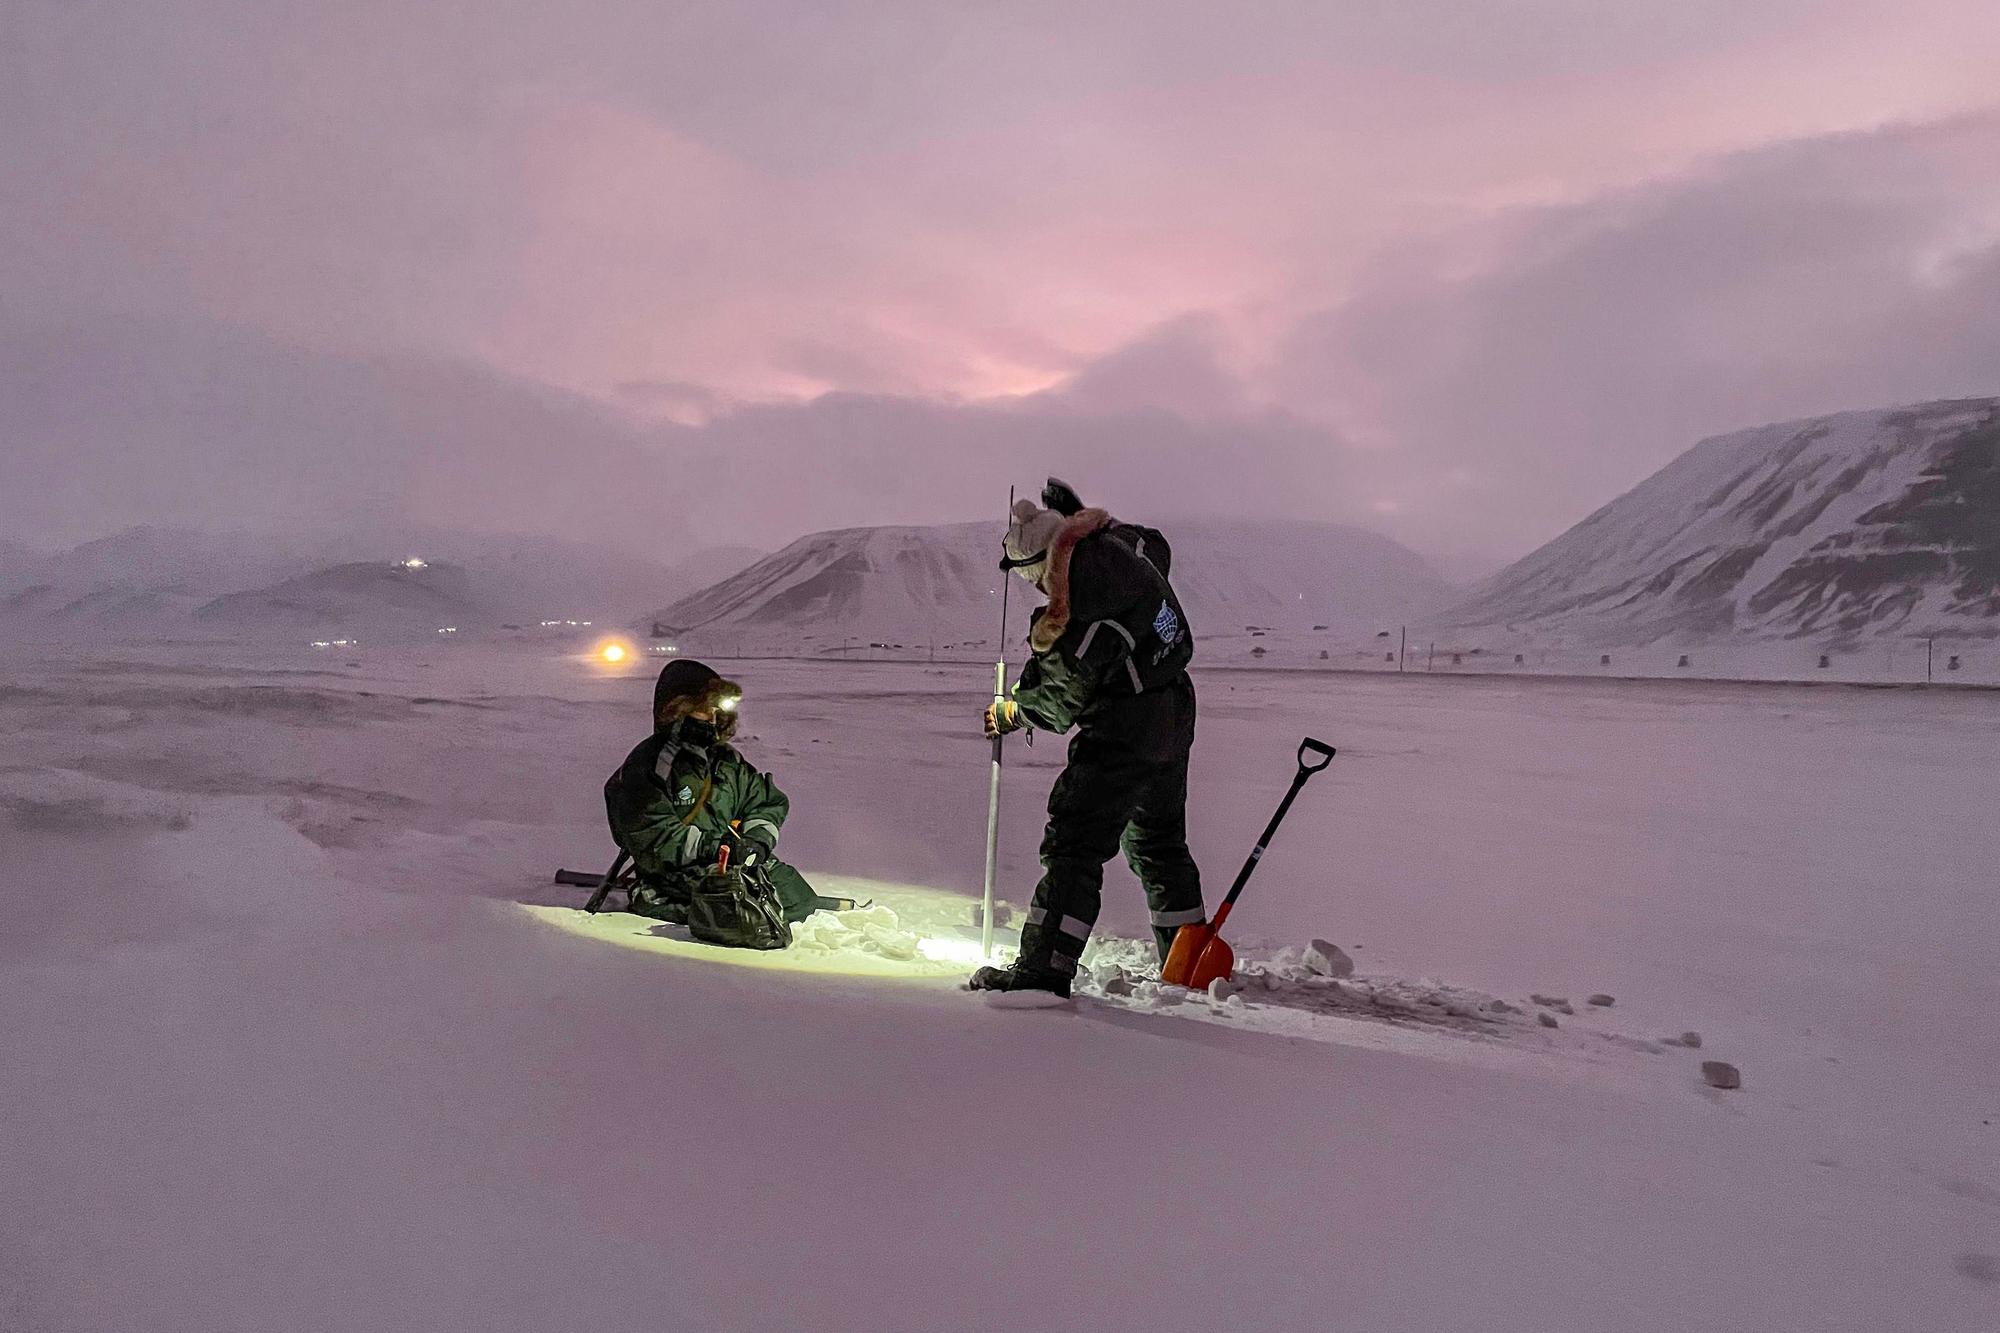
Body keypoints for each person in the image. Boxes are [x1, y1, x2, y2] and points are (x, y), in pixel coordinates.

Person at [969, 491, 1205, 999]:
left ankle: (1044, 969)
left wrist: (1013, 710)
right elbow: (1153, 545)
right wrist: (1076, 522)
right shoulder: (1122, 546)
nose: (1033, 587)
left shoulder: (1088, 603)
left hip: (1127, 725)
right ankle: (1189, 962)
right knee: (1159, 843)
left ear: (1043, 564)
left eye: (1032, 577)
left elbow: (1059, 702)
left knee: (1075, 842)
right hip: (1174, 704)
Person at [603, 659, 818, 925]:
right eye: (705, 709)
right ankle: (654, 898)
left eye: (717, 708)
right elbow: (654, 836)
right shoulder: (650, 763)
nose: (714, 717)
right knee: (748, 910)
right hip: (673, 869)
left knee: (798, 897)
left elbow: (764, 802)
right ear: (678, 710)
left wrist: (757, 841)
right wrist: (716, 847)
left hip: (726, 862)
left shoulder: (726, 760)